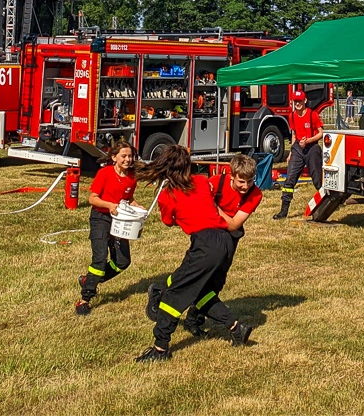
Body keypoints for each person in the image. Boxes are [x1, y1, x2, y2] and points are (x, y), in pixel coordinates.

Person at [136, 145, 251, 362]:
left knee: (174, 296)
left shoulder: (167, 195)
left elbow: (168, 221)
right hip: (225, 241)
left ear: (166, 169)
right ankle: (237, 327)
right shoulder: (200, 181)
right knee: (199, 293)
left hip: (205, 244)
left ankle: (160, 349)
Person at [183, 153, 262, 338]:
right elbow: (196, 201)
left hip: (229, 238)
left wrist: (213, 207)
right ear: (231, 175)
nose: (245, 186)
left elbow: (234, 224)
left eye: (250, 181)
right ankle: (161, 292)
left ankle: (193, 318)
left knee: (217, 282)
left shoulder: (255, 194)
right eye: (241, 181)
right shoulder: (215, 181)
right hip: (206, 235)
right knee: (196, 277)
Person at [75, 140, 137, 315]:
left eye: (130, 156)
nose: (127, 159)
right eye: (123, 156)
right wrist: (109, 205)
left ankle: (90, 280)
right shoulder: (104, 173)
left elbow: (128, 199)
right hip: (100, 218)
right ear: (114, 157)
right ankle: (85, 298)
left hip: (119, 221)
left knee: (123, 262)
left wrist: (138, 208)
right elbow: (92, 199)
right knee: (100, 259)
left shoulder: (132, 178)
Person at [273, 89, 324, 219]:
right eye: (296, 102)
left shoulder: (313, 115)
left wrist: (309, 140)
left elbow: (321, 133)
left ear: (305, 101)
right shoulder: (292, 116)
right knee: (289, 179)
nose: (298, 104)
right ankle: (283, 211)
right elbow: (294, 134)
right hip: (298, 149)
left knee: (317, 179)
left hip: (312, 148)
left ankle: (324, 204)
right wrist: (291, 152)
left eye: (300, 101)